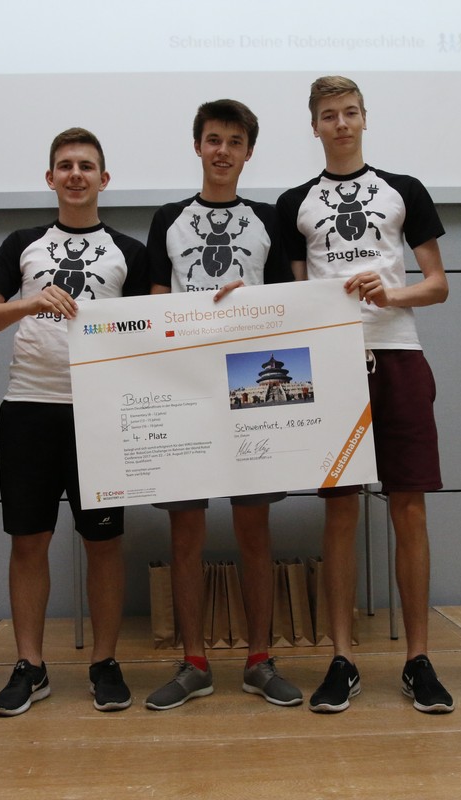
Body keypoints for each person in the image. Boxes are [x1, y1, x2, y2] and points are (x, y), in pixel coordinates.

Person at [276, 76, 453, 714]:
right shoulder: (293, 202)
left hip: (398, 354)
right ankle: (342, 658)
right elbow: (297, 296)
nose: (341, 123)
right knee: (340, 512)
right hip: (332, 366)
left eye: (350, 112)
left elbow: (437, 284)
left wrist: (391, 293)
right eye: (329, 115)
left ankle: (418, 659)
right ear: (315, 126)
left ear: (364, 118)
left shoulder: (404, 189)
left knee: (409, 508)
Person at [0, 128, 148, 716]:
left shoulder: (130, 250)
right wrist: (30, 301)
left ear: (103, 179)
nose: (75, 174)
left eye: (86, 166)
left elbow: (156, 329)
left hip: (100, 412)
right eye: (65, 165)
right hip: (29, 408)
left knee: (104, 543)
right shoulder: (23, 243)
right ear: (50, 178)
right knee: (29, 541)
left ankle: (104, 662)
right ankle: (31, 665)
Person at [143, 100, 301, 711]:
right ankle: (194, 663)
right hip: (185, 382)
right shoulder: (168, 218)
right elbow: (154, 306)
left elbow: (289, 304)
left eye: (235, 141)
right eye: (213, 139)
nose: (223, 151)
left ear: (248, 152)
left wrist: (249, 307)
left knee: (253, 526)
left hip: (249, 386)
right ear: (198, 146)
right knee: (185, 530)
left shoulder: (269, 218)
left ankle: (260, 660)